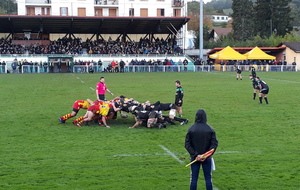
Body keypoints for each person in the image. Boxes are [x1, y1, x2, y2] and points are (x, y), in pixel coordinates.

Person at [185, 109, 218, 190]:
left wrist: (196, 155)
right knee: (208, 178)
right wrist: (205, 155)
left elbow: (187, 144)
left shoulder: (191, 129)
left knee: (194, 179)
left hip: (195, 158)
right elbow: (214, 144)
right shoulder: (210, 129)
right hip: (207, 158)